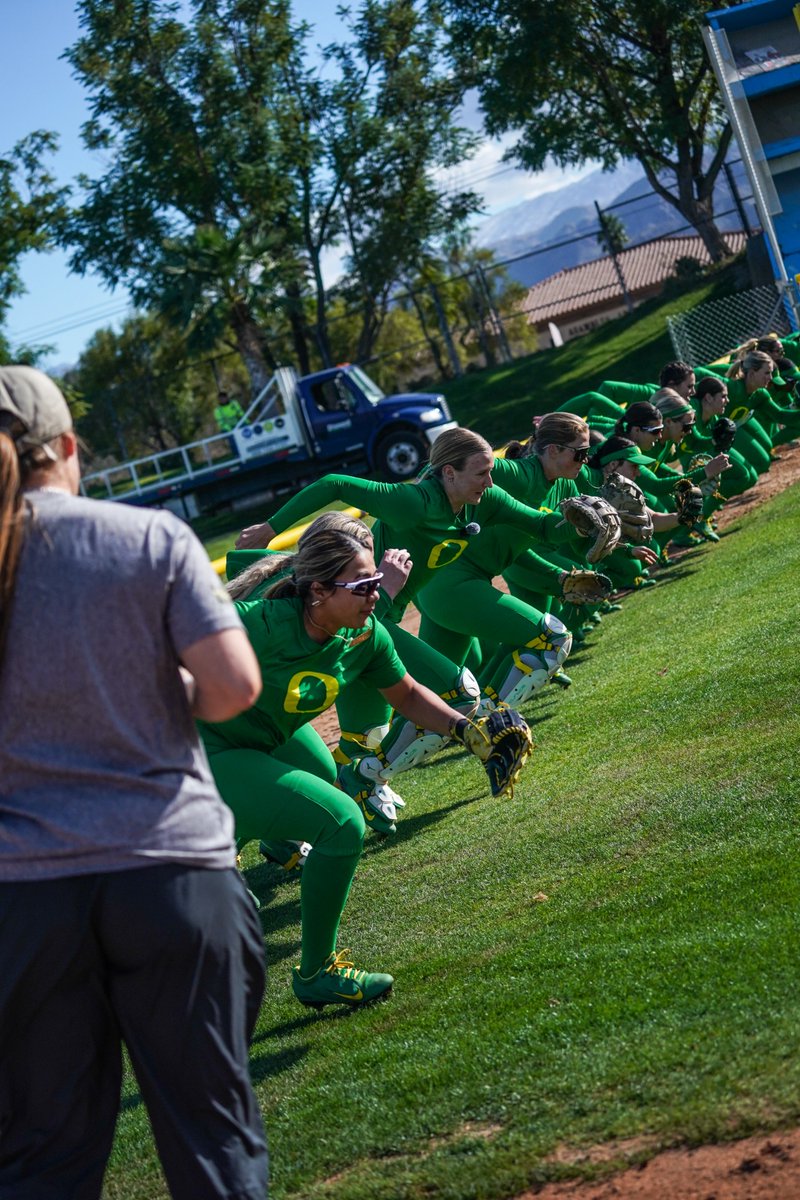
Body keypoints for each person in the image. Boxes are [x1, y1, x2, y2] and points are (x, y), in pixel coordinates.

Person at [0, 366, 268, 1200]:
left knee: (41, 1163)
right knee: (212, 1141)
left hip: (23, 898)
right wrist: (153, 694)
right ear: (68, 448)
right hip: (169, 873)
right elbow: (232, 689)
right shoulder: (146, 539)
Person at [198, 514, 522, 1008]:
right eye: (365, 584)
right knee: (342, 823)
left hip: (255, 733)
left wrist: (467, 731)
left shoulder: (364, 634)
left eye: (376, 581)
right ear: (318, 592)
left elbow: (409, 695)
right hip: (202, 750)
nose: (377, 593)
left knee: (326, 776)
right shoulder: (260, 625)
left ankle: (234, 849)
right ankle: (316, 973)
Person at [233, 428, 568, 816]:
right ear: (448, 473)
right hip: (367, 619)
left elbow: (542, 528)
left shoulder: (482, 500)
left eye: (490, 472)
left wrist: (583, 522)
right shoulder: (412, 502)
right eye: (481, 473)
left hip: (373, 627)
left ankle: (314, 815)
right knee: (457, 692)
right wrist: (270, 529)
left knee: (366, 738)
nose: (490, 482)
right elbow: (334, 482)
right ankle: (362, 782)